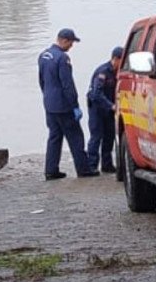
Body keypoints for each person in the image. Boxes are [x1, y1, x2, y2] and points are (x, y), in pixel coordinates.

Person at [37, 28, 97, 180]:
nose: (71, 46)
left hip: (49, 104)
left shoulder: (44, 55)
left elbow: (41, 80)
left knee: (54, 137)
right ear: (64, 40)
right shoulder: (62, 58)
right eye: (71, 42)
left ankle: (51, 170)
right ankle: (83, 169)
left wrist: (47, 96)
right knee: (76, 137)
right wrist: (75, 106)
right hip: (64, 106)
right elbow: (67, 85)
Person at [87, 45, 124, 174]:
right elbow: (96, 94)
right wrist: (111, 106)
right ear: (115, 59)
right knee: (96, 136)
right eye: (122, 61)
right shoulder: (103, 72)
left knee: (109, 136)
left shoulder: (118, 73)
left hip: (109, 110)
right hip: (97, 109)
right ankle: (91, 165)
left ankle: (107, 165)